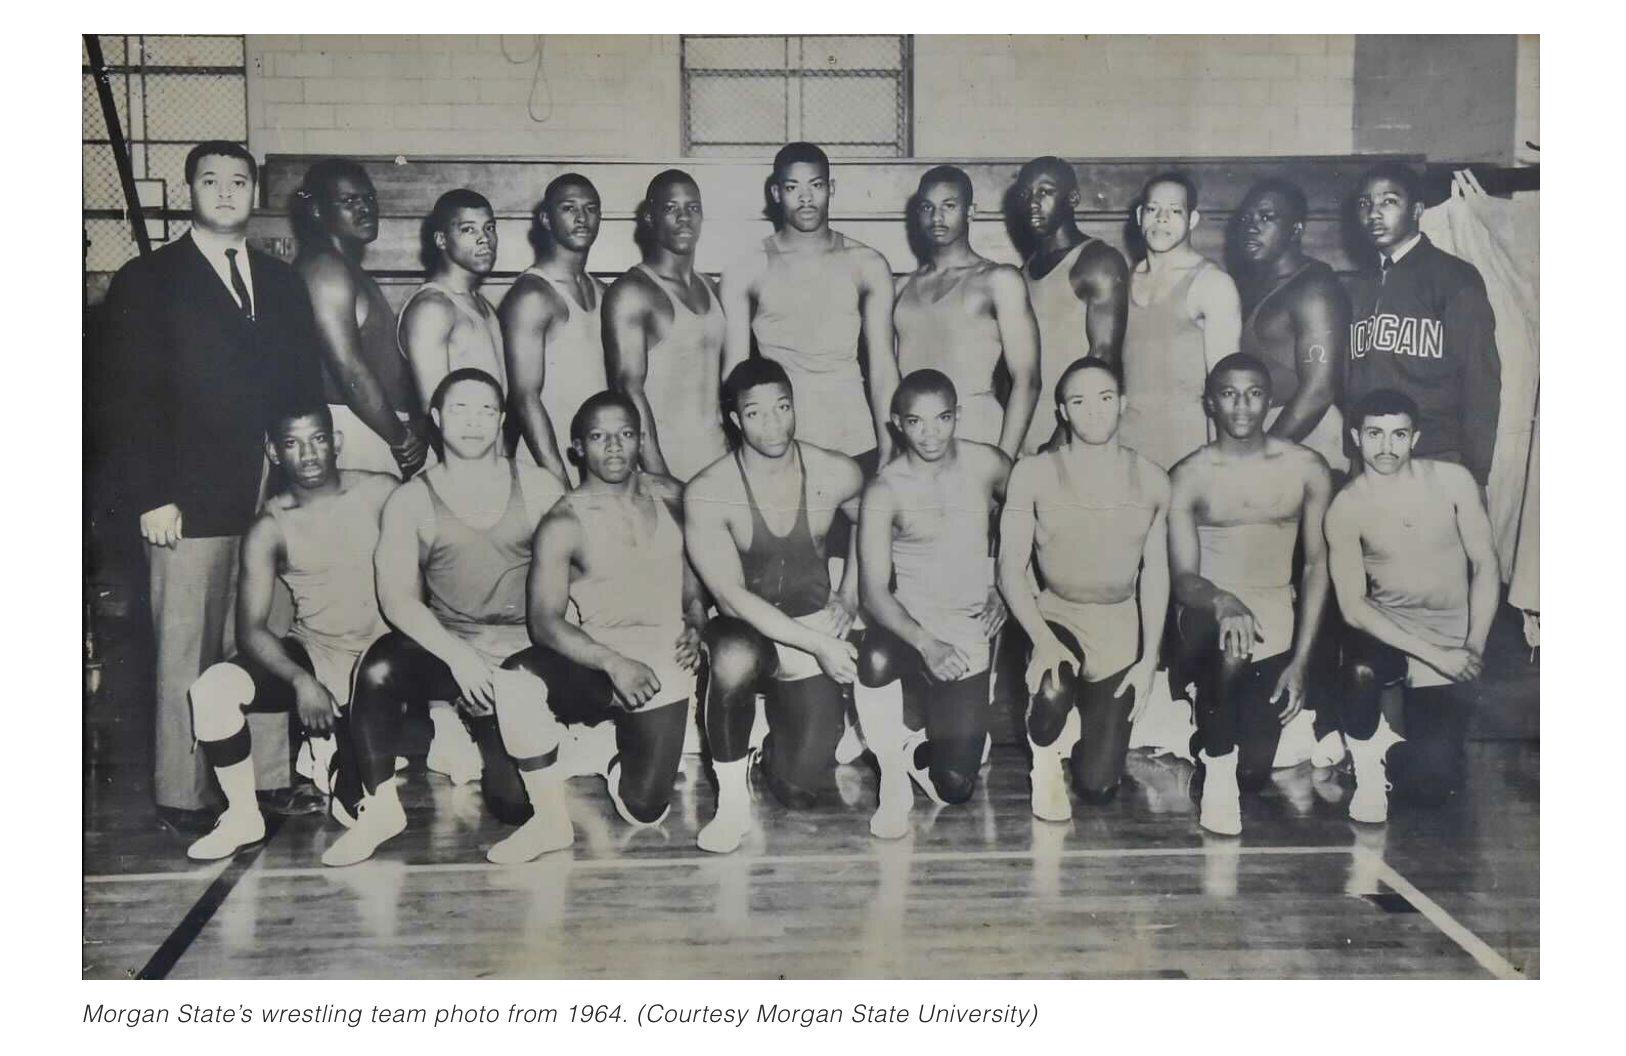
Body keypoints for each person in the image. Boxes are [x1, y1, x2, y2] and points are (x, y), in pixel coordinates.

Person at [99, 140, 325, 832]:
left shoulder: (281, 282)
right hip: (184, 498)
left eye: (239, 180)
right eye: (210, 180)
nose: (226, 191)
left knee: (262, 634)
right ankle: (183, 791)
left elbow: (302, 391)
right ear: (188, 192)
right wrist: (149, 494)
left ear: (255, 193)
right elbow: (123, 399)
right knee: (188, 646)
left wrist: (303, 489)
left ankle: (265, 780)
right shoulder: (148, 279)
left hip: (267, 494)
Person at [322, 369, 568, 867]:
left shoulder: (540, 487)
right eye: (459, 409)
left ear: (501, 420)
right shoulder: (412, 498)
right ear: (435, 419)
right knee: (377, 667)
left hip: (527, 651)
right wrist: (459, 659)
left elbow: (577, 579)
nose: (473, 422)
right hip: (454, 649)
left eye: (485, 410)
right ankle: (381, 809)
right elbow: (397, 599)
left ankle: (525, 730)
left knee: (513, 806)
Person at [488, 393, 708, 862]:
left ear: (641, 440)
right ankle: (549, 821)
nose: (613, 447)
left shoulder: (672, 495)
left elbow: (696, 576)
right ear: (577, 448)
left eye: (625, 434)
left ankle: (604, 749)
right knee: (513, 679)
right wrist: (612, 661)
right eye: (598, 437)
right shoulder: (564, 522)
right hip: (597, 662)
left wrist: (696, 619)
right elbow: (543, 622)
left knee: (644, 810)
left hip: (664, 663)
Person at [183, 404, 395, 859]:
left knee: (356, 808)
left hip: (384, 661)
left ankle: (336, 754)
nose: (310, 455)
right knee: (213, 689)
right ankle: (242, 815)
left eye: (318, 439)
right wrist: (302, 681)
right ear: (274, 453)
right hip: (316, 653)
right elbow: (251, 631)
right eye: (293, 444)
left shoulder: (382, 492)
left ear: (335, 442)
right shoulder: (269, 527)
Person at [684, 358, 866, 853]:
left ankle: (769, 745)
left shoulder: (834, 470)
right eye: (756, 413)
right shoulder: (710, 491)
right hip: (752, 632)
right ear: (735, 419)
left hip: (812, 629)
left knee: (802, 791)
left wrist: (850, 591)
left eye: (782, 407)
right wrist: (820, 645)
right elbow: (728, 596)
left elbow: (876, 519)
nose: (774, 423)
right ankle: (731, 803)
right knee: (732, 657)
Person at [1167, 353, 1333, 835]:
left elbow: (1319, 565)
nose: (1242, 405)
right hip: (1204, 619)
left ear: (1270, 400)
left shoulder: (1307, 468)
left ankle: (1212, 741)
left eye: (1254, 393)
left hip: (1275, 624)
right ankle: (1215, 768)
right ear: (1210, 403)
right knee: (1231, 649)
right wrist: (1223, 601)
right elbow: (1183, 578)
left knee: (1254, 775)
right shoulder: (1189, 474)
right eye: (1229, 393)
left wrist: (1300, 662)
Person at [998, 358, 1169, 821]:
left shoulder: (1153, 479)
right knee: (1053, 686)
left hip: (1118, 626)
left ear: (1123, 405)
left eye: (1105, 399)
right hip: (1057, 614)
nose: (1093, 412)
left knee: (1098, 787)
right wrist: (1043, 639)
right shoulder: (1033, 473)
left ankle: (1081, 728)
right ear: (1062, 411)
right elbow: (1009, 571)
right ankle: (1045, 762)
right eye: (1079, 401)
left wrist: (1148, 659)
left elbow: (1155, 574)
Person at [1325, 389, 1497, 823]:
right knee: (1360, 671)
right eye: (1375, 434)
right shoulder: (1346, 507)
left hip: (1450, 639)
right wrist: (1437, 656)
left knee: (1432, 786)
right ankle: (1367, 770)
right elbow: (1352, 607)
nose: (1386, 447)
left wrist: (1471, 648)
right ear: (1355, 437)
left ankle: (1386, 737)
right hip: (1390, 633)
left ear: (1415, 438)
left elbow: (1486, 565)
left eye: (1398, 434)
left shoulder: (1453, 481)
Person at [856, 370, 1012, 837]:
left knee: (955, 786)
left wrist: (1004, 583)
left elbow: (1030, 513)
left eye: (942, 418)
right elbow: (872, 594)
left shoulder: (988, 464)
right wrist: (927, 644)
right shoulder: (885, 490)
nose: (931, 434)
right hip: (907, 629)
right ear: (897, 424)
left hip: (965, 630)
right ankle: (890, 773)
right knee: (876, 656)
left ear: (958, 415)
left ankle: (912, 742)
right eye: (916, 422)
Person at [721, 142, 899, 468]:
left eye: (815, 185)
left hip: (855, 437)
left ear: (830, 189)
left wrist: (890, 444)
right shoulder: (746, 269)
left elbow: (884, 366)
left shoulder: (867, 264)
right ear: (776, 193)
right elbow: (735, 373)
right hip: (779, 441)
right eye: (792, 187)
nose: (805, 198)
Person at [1346, 162, 1501, 489]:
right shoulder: (1360, 285)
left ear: (1417, 210)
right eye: (1365, 204)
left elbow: (1481, 380)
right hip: (1371, 457)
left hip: (1436, 456)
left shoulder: (1454, 277)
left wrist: (1475, 472)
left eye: (1388, 202)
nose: (1374, 213)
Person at [293, 158, 430, 479]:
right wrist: (400, 437)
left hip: (375, 426)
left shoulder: (346, 267)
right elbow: (348, 369)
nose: (365, 208)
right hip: (357, 429)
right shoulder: (324, 269)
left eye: (369, 198)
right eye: (348, 201)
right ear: (317, 212)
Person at [894, 166, 1040, 457]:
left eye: (949, 206)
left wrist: (1004, 460)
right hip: (918, 440)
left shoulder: (998, 280)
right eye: (928, 207)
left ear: (970, 211)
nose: (937, 217)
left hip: (978, 435)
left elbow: (1028, 379)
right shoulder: (900, 287)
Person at [604, 170, 728, 481]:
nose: (684, 218)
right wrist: (659, 475)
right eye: (671, 208)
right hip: (665, 463)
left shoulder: (710, 286)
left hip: (718, 458)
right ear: (649, 217)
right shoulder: (632, 292)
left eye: (693, 208)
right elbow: (627, 387)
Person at [1118, 171, 1242, 471]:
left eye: (1175, 211)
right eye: (1153, 209)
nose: (1161, 218)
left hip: (1188, 448)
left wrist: (1219, 467)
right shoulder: (1124, 279)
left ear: (1193, 220)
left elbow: (1225, 388)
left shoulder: (1212, 284)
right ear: (1139, 215)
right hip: (1127, 445)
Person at [1012, 156, 1130, 455]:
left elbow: (1104, 358)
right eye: (1026, 194)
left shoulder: (1097, 261)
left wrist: (1062, 439)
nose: (1033, 203)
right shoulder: (1022, 272)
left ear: (1073, 198)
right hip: (1026, 428)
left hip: (1076, 432)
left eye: (1045, 192)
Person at [1232, 178, 1349, 473]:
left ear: (1296, 230)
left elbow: (1319, 391)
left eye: (1267, 217)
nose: (1252, 226)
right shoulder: (1253, 283)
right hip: (1268, 433)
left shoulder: (1314, 288)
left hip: (1306, 434)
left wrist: (1262, 455)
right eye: (1246, 218)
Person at [502, 174, 609, 481]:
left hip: (593, 460)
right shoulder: (532, 295)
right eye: (568, 208)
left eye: (590, 208)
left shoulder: (604, 292)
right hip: (546, 463)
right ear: (546, 219)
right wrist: (557, 481)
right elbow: (524, 398)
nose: (581, 218)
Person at [399, 189, 506, 414]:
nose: (484, 238)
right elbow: (434, 413)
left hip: (487, 446)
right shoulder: (432, 309)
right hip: (455, 448)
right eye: (468, 229)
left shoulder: (483, 305)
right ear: (441, 240)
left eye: (489, 227)